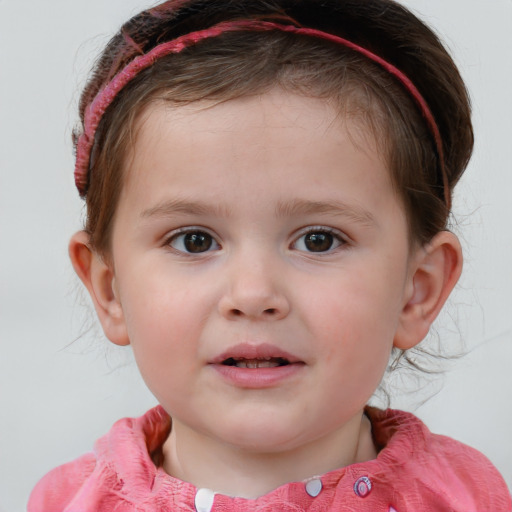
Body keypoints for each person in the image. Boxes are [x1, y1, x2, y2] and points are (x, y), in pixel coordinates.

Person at [28, 0, 511, 510]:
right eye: (194, 240)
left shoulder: (469, 497)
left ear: (418, 289)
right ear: (110, 289)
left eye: (318, 239)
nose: (254, 294)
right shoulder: (68, 502)